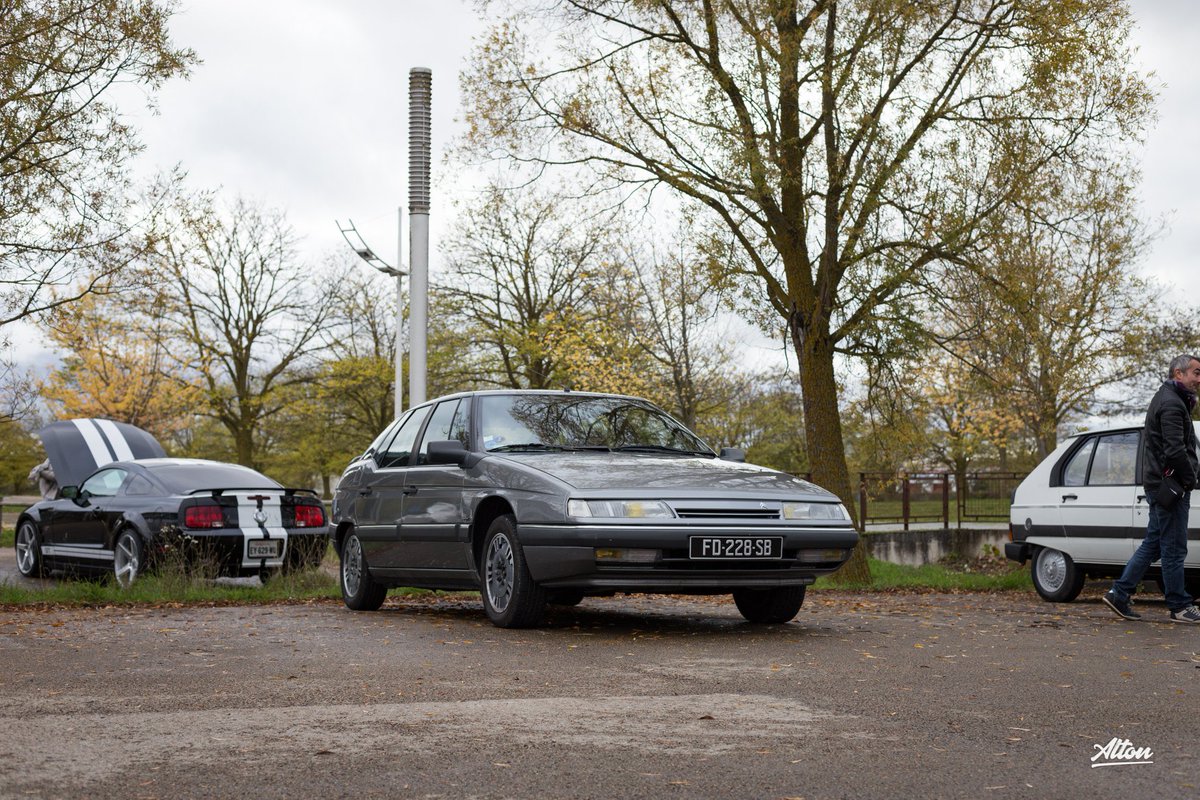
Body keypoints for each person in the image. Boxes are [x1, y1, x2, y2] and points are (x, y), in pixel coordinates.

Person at [1103, 354, 1200, 623]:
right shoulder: (1171, 404)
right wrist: (1191, 478)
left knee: (1155, 543)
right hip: (1170, 487)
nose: (1199, 379)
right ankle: (1179, 605)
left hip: (1162, 484)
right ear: (1178, 374)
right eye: (1196, 372)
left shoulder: (1171, 399)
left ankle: (1119, 593)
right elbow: (1175, 450)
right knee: (1173, 548)